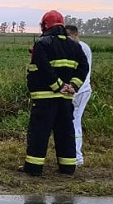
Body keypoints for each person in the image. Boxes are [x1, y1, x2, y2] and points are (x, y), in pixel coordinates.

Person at [21, 10, 89, 177]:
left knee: (39, 133)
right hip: (66, 99)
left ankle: (33, 168)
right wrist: (73, 86)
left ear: (45, 25)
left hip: (44, 98)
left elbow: (44, 68)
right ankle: (67, 167)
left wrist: (58, 86)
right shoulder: (75, 45)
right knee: (65, 133)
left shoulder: (43, 43)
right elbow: (84, 67)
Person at [65, 25, 92, 165]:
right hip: (79, 89)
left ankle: (77, 157)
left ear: (75, 34)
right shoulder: (82, 46)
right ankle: (72, 155)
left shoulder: (79, 48)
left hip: (79, 90)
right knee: (72, 122)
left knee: (74, 122)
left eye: (69, 36)